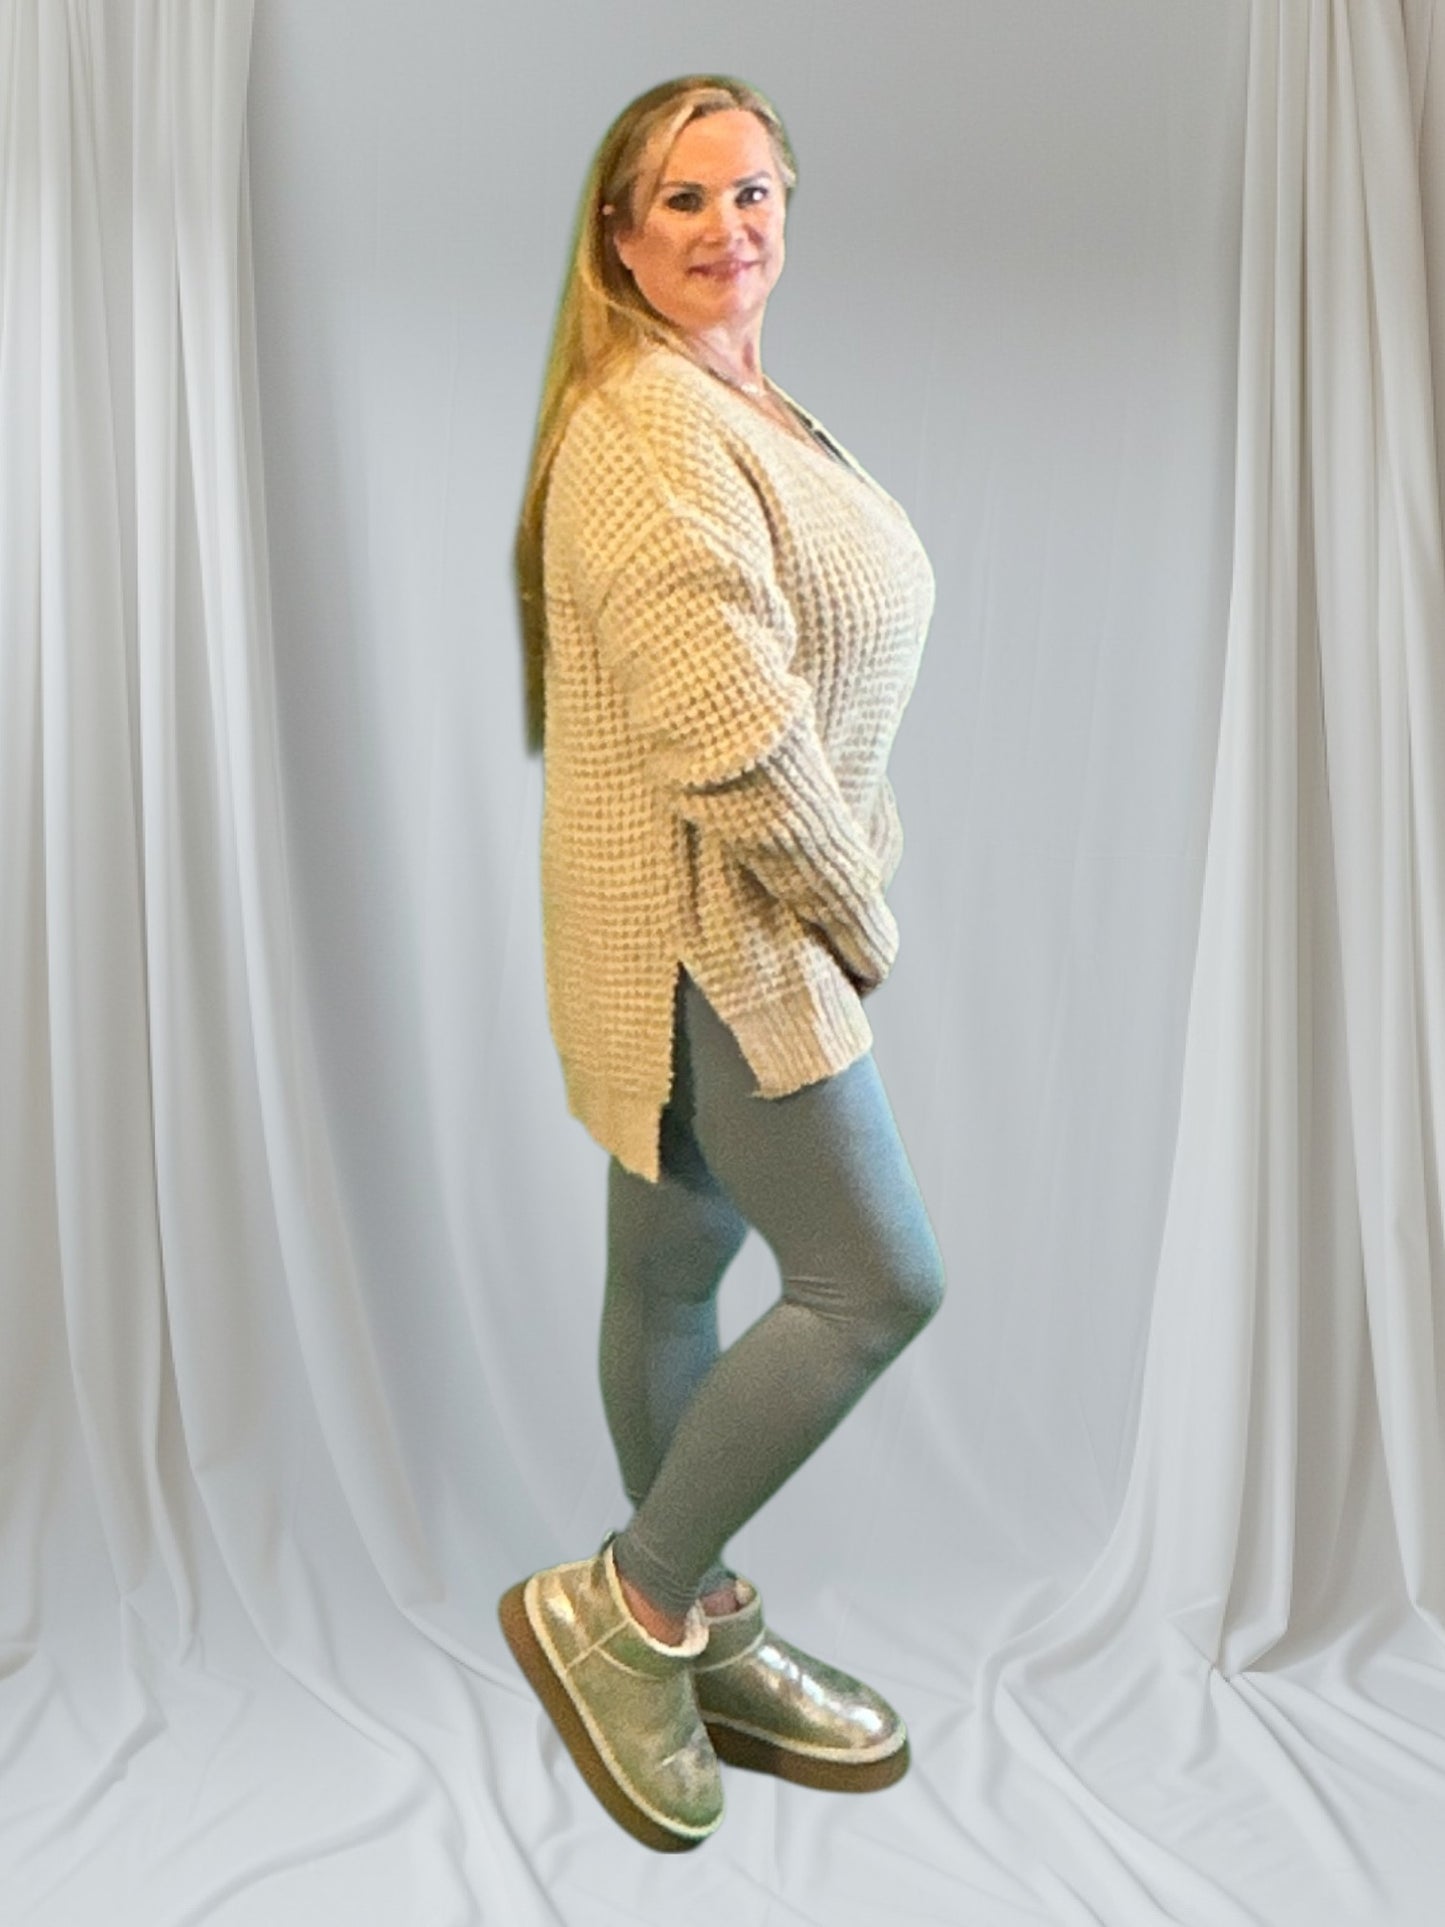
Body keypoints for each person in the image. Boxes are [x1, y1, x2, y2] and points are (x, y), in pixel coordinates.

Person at [499, 73, 946, 1854]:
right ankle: (633, 1606)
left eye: (749, 193)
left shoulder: (738, 403)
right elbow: (729, 732)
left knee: (673, 1285)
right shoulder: (643, 428)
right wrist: (860, 910)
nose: (722, 227)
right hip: (722, 931)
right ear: (617, 236)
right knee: (872, 1284)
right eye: (679, 201)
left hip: (710, 916)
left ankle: (707, 1630)